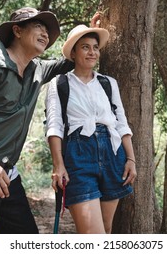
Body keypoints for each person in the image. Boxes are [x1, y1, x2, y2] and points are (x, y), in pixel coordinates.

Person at [0, 7, 99, 234]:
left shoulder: (38, 70)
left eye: (47, 30)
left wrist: (87, 33)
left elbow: (71, 60)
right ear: (17, 30)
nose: (45, 33)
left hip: (5, 176)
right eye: (38, 26)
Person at [45, 24, 137, 234]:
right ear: (73, 52)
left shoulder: (108, 83)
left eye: (95, 47)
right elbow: (54, 126)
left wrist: (131, 159)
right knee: (92, 235)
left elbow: (121, 122)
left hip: (113, 156)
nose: (92, 52)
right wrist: (58, 165)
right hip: (79, 158)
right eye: (85, 47)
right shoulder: (59, 84)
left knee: (105, 229)